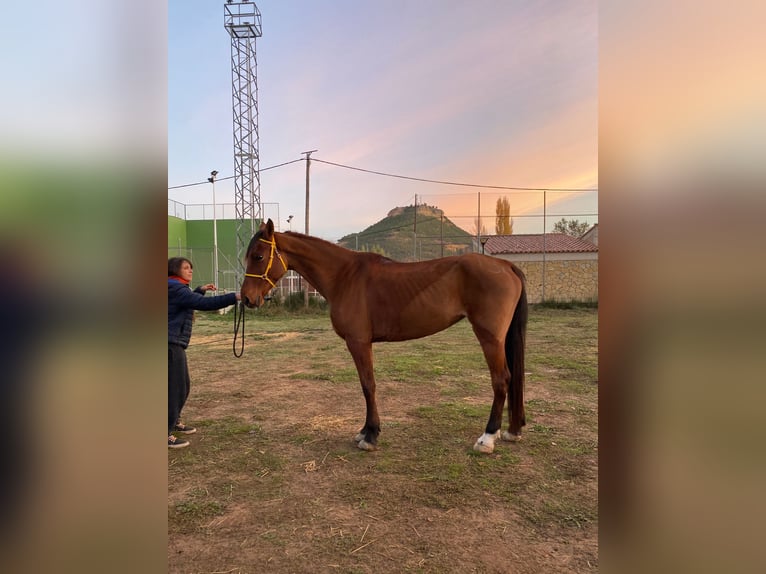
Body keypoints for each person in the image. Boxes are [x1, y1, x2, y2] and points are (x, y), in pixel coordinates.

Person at [168, 257, 240, 448]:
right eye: (186, 267)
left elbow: (188, 300)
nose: (190, 270)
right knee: (175, 389)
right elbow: (203, 304)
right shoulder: (174, 288)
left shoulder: (175, 288)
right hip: (170, 344)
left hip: (173, 343)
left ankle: (173, 421)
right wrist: (236, 296)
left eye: (191, 267)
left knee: (181, 386)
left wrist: (199, 290)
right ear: (175, 270)